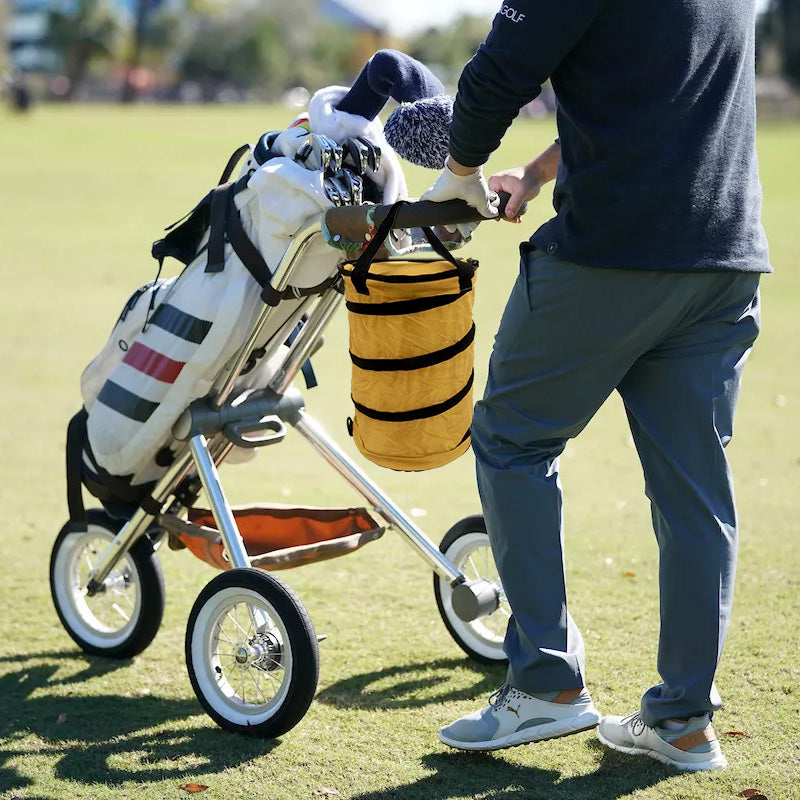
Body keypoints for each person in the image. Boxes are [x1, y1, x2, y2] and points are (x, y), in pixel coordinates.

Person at [420, 0, 769, 771]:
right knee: (695, 493)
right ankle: (681, 722)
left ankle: (546, 686)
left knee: (511, 439)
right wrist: (541, 170)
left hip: (612, 252)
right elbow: (656, 92)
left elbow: (494, 77)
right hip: (724, 259)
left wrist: (458, 177)